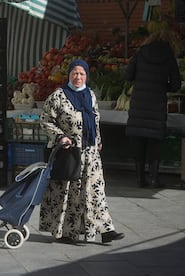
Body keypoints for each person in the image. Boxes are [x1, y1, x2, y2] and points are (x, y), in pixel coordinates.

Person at [38, 59, 125, 244]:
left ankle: (106, 230)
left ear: (86, 76)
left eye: (82, 74)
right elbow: (45, 120)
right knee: (70, 193)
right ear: (69, 74)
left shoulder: (90, 95)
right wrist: (61, 137)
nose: (78, 77)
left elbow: (95, 119)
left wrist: (98, 140)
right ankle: (66, 233)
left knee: (96, 191)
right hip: (70, 153)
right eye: (75, 73)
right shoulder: (58, 96)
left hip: (91, 153)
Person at [124, 30, 181, 188]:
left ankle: (139, 179)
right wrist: (163, 86)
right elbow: (176, 84)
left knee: (139, 142)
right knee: (154, 142)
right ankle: (154, 178)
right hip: (157, 104)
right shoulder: (169, 56)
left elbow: (128, 75)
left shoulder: (140, 53)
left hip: (139, 103)